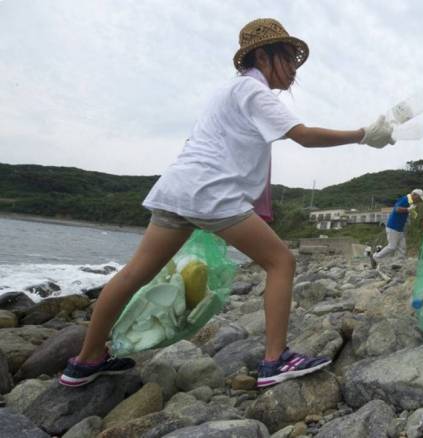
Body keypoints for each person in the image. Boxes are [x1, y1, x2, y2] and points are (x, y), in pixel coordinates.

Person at [59, 18, 395, 388]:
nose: (294, 73)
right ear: (264, 56)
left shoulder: (228, 92)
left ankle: (86, 360)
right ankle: (275, 361)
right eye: (289, 60)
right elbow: (304, 136)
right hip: (211, 193)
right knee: (281, 261)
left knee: (134, 274)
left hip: (179, 188)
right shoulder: (254, 92)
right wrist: (364, 135)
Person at [369, 189, 423, 268]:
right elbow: (397, 209)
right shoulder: (406, 200)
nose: (419, 201)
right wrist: (408, 209)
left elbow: (405, 212)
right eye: (419, 199)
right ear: (414, 195)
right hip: (393, 226)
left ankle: (398, 263)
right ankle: (376, 257)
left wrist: (411, 212)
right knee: (392, 246)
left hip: (399, 228)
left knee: (402, 247)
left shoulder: (409, 201)